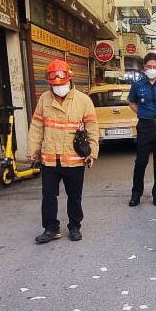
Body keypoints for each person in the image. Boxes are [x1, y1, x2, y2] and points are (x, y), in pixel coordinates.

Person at [27, 59, 99, 244]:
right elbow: (37, 126)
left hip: (74, 159)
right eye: (55, 84)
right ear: (50, 83)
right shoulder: (44, 100)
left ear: (70, 79)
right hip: (50, 159)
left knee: (74, 196)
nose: (59, 87)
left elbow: (92, 128)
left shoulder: (83, 100)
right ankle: (51, 229)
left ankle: (75, 227)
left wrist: (92, 153)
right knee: (48, 196)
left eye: (62, 83)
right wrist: (32, 150)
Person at [127, 52, 156, 207]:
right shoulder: (137, 85)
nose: (152, 69)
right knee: (141, 162)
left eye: (155, 67)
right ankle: (136, 194)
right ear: (144, 67)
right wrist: (141, 112)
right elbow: (131, 102)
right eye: (149, 66)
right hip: (145, 126)